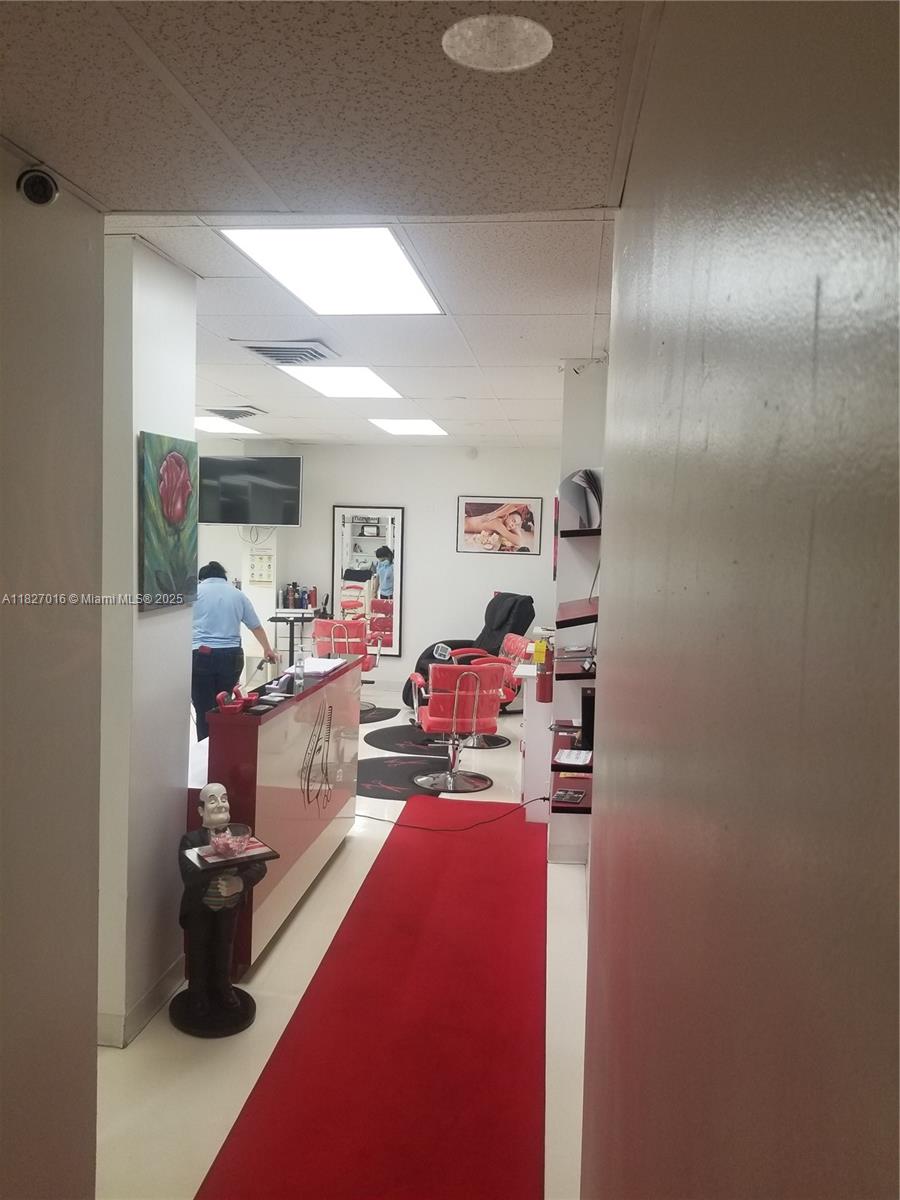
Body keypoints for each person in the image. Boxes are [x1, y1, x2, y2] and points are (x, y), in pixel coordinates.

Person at [178, 783, 267, 1019]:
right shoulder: (190, 840)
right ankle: (197, 992)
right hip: (200, 908)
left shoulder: (240, 836)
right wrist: (217, 856)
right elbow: (188, 875)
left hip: (229, 907)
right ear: (200, 810)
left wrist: (239, 882)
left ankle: (223, 987)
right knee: (198, 949)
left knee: (224, 947)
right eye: (213, 800)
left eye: (224, 798)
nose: (220, 804)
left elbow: (259, 865)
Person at [191, 561, 277, 740]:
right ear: (223, 576)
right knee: (225, 705)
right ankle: (224, 745)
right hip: (231, 656)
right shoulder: (238, 594)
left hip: (201, 655)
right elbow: (255, 626)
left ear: (202, 578)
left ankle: (206, 749)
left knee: (204, 709)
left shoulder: (194, 593)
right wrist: (267, 649)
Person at [463, 502, 534, 550]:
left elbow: (510, 508)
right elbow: (519, 541)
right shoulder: (496, 523)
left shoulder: (505, 521)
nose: (513, 526)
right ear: (506, 515)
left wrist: (514, 525)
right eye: (513, 521)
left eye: (516, 525)